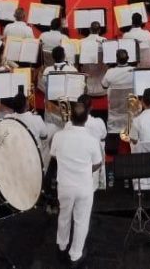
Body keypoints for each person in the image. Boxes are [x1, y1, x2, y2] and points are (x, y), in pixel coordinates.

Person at [50, 102, 103, 266]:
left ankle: (62, 244)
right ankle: (75, 254)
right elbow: (98, 163)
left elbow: (53, 156)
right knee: (81, 220)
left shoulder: (59, 136)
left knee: (64, 216)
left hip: (65, 185)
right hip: (84, 187)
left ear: (70, 118)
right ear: (86, 118)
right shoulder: (92, 140)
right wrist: (85, 169)